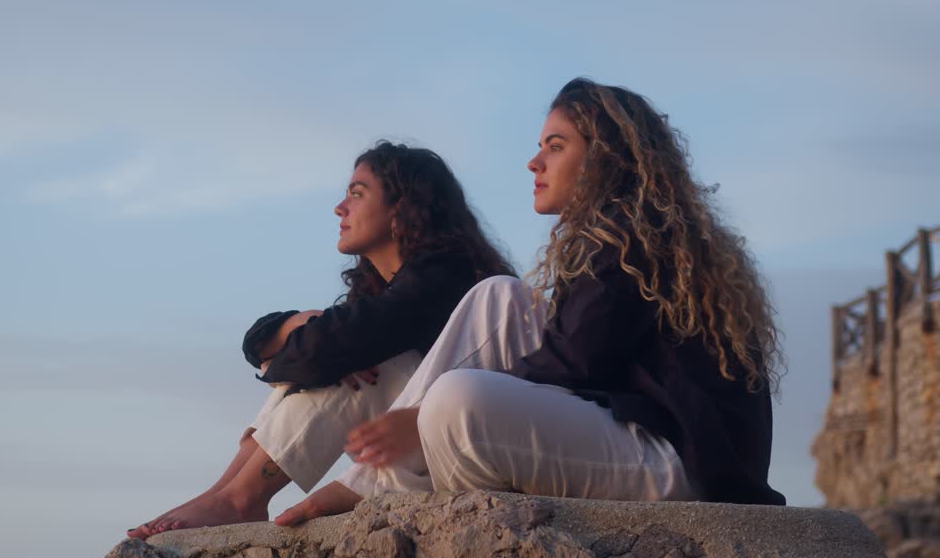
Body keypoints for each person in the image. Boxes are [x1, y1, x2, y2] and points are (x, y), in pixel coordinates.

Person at [275, 78, 786, 526]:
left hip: (685, 463)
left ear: (605, 158)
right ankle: (376, 481)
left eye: (556, 146)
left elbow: (574, 364)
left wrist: (419, 419)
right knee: (501, 297)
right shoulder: (624, 233)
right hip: (647, 437)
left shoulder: (632, 238)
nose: (534, 161)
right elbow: (578, 361)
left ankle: (384, 489)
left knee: (453, 404)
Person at [128, 141, 514, 537]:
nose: (340, 208)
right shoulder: (384, 294)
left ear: (401, 209)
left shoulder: (440, 277)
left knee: (362, 364)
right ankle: (225, 493)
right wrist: (293, 326)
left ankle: (239, 499)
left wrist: (308, 349)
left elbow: (317, 355)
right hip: (408, 445)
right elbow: (268, 344)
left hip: (457, 448)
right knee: (338, 354)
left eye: (357, 194)